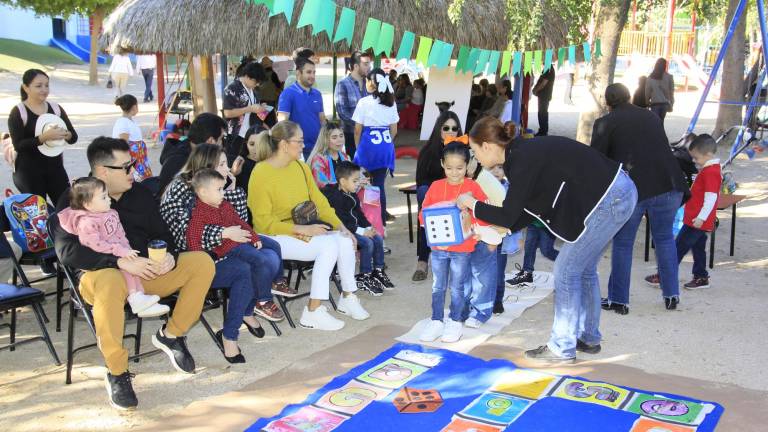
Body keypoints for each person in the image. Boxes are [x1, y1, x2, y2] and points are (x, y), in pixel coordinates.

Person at [51, 137, 215, 410]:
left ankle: (171, 335)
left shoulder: (138, 194)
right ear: (103, 171)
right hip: (100, 276)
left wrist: (167, 256)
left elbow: (162, 234)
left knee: (201, 262)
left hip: (146, 274)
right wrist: (118, 262)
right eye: (127, 167)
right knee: (110, 279)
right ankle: (117, 372)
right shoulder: (75, 198)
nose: (134, 172)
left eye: (134, 164)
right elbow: (67, 253)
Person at [457, 117, 637, 363]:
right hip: (618, 193)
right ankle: (589, 337)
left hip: (611, 198)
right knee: (582, 270)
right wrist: (501, 231)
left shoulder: (521, 158)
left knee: (566, 270)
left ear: (487, 145)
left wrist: (472, 204)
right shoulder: (520, 155)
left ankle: (562, 347)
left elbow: (510, 214)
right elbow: (527, 210)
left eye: (475, 151)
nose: (475, 158)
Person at [248, 121, 370, 330]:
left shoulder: (300, 167)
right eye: (300, 141)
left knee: (343, 240)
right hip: (273, 237)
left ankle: (348, 296)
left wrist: (342, 227)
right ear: (284, 145)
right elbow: (263, 223)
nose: (304, 145)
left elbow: (320, 203)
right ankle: (313, 311)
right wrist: (300, 230)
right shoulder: (261, 173)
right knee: (328, 246)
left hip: (301, 229)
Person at [592, 84, 689, 313]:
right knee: (665, 240)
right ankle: (671, 295)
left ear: (608, 103)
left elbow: (597, 160)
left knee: (623, 244)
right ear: (629, 97)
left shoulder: (605, 122)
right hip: (669, 183)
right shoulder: (650, 116)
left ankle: (619, 300)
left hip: (633, 190)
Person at [159, 141, 294, 302]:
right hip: (204, 252)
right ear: (207, 166)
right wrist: (225, 233)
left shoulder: (215, 187)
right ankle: (261, 299)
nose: (228, 169)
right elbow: (185, 235)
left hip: (227, 240)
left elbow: (240, 221)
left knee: (272, 248)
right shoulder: (182, 188)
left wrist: (232, 191)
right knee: (264, 259)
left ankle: (274, 284)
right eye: (222, 164)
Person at [186, 169, 284, 363]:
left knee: (256, 265)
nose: (223, 193)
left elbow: (239, 221)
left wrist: (254, 236)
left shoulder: (224, 205)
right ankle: (261, 301)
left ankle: (244, 316)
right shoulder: (198, 214)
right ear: (203, 192)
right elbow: (194, 244)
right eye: (219, 189)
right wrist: (206, 260)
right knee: (259, 261)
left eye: (223, 189)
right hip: (215, 259)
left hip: (235, 248)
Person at [58, 177, 169, 317]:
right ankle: (135, 298)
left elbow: (119, 233)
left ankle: (141, 300)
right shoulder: (87, 223)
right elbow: (96, 246)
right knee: (128, 272)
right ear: (88, 205)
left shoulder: (109, 213)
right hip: (107, 263)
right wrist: (120, 251)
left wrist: (127, 249)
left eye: (107, 195)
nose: (109, 199)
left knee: (135, 272)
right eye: (103, 197)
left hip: (122, 252)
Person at [418, 143, 488, 343]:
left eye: (459, 168)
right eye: (449, 168)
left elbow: (484, 212)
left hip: (462, 248)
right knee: (438, 285)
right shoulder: (436, 186)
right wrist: (432, 221)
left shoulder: (472, 187)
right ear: (442, 164)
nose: (454, 173)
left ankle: (455, 320)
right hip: (439, 247)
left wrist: (472, 222)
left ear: (468, 166)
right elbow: (423, 214)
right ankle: (436, 320)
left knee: (457, 286)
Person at [645, 134, 721, 291]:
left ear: (707, 155)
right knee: (698, 248)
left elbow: (711, 198)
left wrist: (701, 217)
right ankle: (701, 276)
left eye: (696, 158)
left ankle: (664, 276)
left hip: (696, 221)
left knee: (677, 248)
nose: (694, 161)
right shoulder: (709, 169)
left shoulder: (710, 172)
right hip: (697, 220)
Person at [7, 69, 78, 206]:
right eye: (38, 86)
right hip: (28, 171)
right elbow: (19, 145)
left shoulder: (56, 108)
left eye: (47, 85)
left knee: (67, 208)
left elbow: (73, 137)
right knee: (38, 213)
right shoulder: (19, 112)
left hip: (55, 167)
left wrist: (66, 134)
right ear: (26, 88)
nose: (44, 89)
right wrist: (43, 137)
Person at [322, 161, 393, 295]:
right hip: (341, 231)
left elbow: (359, 214)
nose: (358, 184)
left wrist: (369, 227)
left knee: (377, 237)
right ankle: (364, 276)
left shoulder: (351, 192)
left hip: (354, 229)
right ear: (343, 181)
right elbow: (342, 222)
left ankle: (378, 272)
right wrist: (362, 231)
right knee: (367, 243)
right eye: (355, 181)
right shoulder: (336, 197)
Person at [412, 111, 463, 281]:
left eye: (454, 128)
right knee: (424, 204)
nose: (450, 131)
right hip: (434, 193)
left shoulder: (463, 149)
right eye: (446, 127)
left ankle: (458, 258)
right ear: (438, 129)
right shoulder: (428, 150)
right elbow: (420, 179)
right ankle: (422, 260)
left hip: (458, 192)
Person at [352, 68, 400, 225]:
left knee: (363, 185)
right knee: (378, 186)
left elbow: (357, 130)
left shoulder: (364, 102)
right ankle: (381, 224)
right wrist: (386, 144)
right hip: (385, 147)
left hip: (368, 148)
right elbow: (394, 130)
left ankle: (368, 222)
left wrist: (358, 148)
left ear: (371, 83)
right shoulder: (391, 103)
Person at [158, 113, 227, 194]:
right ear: (210, 141)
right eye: (221, 139)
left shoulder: (188, 150)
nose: (222, 143)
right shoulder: (181, 163)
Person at [277, 57, 326, 160]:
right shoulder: (288, 94)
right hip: (297, 150)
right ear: (298, 73)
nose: (312, 76)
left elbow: (322, 120)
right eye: (308, 72)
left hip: (317, 148)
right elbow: (282, 123)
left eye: (314, 72)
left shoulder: (317, 94)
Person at [222, 61, 268, 164]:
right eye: (255, 82)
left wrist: (261, 109)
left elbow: (255, 113)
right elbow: (227, 113)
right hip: (235, 135)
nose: (257, 85)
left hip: (251, 134)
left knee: (249, 164)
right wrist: (250, 108)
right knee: (233, 163)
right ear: (247, 76)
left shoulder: (253, 91)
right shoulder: (232, 88)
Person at [334, 50, 371, 158]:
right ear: (355, 66)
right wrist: (360, 125)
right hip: (351, 134)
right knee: (355, 168)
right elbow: (342, 112)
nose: (369, 67)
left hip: (368, 133)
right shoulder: (342, 84)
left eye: (369, 64)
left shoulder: (369, 84)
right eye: (365, 64)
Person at [113, 94, 152, 181]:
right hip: (133, 160)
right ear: (134, 106)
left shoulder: (130, 121)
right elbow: (123, 143)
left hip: (139, 159)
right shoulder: (123, 122)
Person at [308, 121, 350, 188]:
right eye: (334, 137)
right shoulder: (318, 159)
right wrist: (346, 185)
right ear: (325, 140)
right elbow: (321, 184)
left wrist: (358, 181)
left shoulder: (345, 157)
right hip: (327, 196)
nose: (339, 140)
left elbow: (351, 177)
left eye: (341, 136)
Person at [646, 58, 675, 124]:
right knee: (661, 122)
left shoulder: (651, 77)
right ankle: (660, 133)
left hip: (654, 103)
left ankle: (655, 133)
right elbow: (671, 92)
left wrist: (647, 101)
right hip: (665, 103)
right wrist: (672, 103)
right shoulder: (669, 77)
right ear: (665, 65)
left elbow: (647, 91)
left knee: (654, 123)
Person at [258, 56, 283, 126]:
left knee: (261, 123)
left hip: (260, 103)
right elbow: (280, 87)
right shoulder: (274, 74)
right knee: (270, 124)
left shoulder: (259, 75)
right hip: (270, 103)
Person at [532, 66, 555, 136]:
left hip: (544, 95)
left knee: (542, 113)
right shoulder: (547, 69)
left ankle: (543, 132)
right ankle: (543, 131)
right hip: (543, 95)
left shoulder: (549, 69)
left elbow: (543, 83)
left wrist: (535, 90)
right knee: (542, 113)